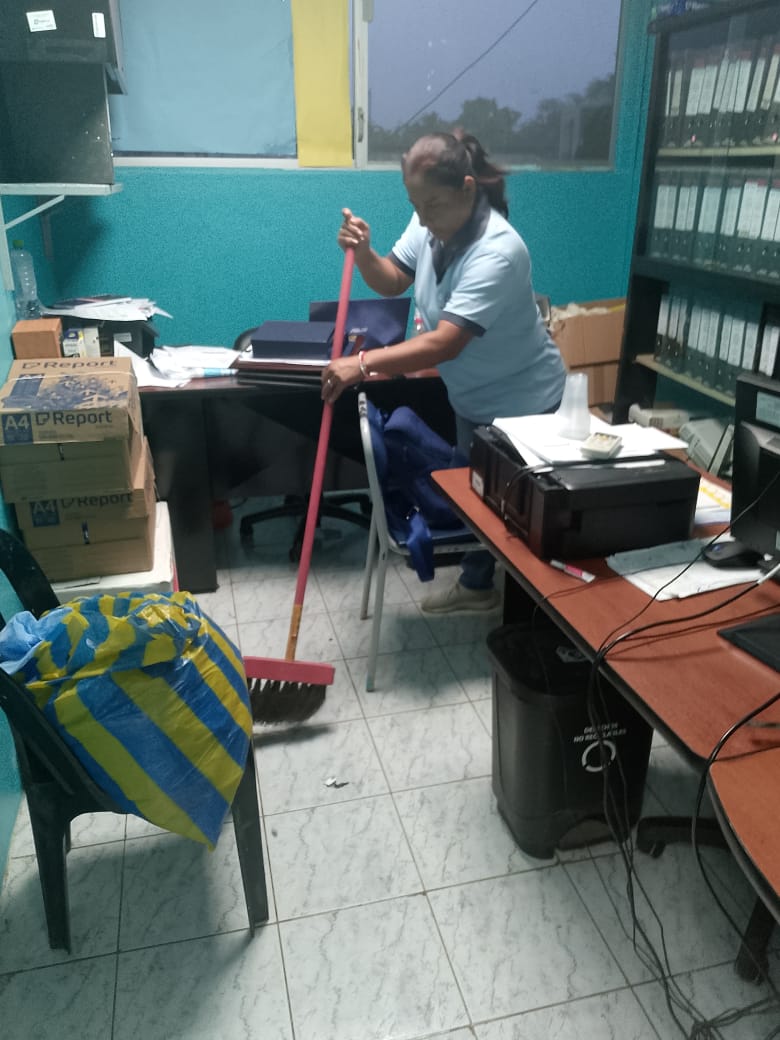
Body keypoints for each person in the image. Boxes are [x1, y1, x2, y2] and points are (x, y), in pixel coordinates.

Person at [322, 130, 566, 613]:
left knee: (521, 511)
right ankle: (477, 588)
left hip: (526, 405)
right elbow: (392, 280)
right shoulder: (430, 222)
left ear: (467, 188)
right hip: (473, 398)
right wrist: (365, 251)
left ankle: (537, 614)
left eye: (430, 204)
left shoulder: (498, 250)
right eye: (415, 204)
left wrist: (362, 364)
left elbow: (446, 343)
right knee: (478, 496)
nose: (422, 217)